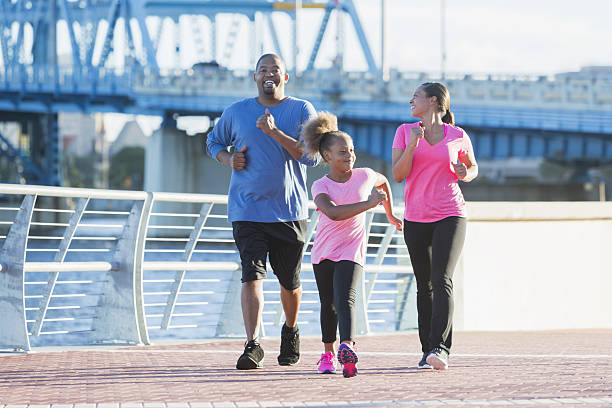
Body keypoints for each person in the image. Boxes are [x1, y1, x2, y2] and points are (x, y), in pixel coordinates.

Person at [206, 53, 319, 370]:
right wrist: (229, 160)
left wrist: (274, 133)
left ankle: (290, 330)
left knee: (289, 282)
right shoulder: (237, 111)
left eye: (276, 70)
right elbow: (213, 142)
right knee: (251, 275)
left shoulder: (301, 110)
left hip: (289, 212)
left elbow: (311, 158)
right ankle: (252, 344)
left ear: (286, 77)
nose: (269, 74)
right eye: (263, 70)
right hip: (246, 209)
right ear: (255, 77)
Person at [302, 112, 402, 377]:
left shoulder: (364, 175)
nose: (350, 156)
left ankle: (347, 346)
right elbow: (332, 212)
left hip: (352, 249)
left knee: (346, 297)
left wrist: (389, 213)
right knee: (329, 304)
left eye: (352, 150)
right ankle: (327, 354)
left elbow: (383, 182)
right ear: (327, 156)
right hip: (324, 251)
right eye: (343, 152)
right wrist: (369, 204)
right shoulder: (320, 185)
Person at [391, 82, 478, 370]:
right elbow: (399, 174)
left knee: (442, 279)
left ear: (432, 101)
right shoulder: (405, 132)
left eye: (415, 97)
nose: (410, 101)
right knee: (424, 285)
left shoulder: (457, 135)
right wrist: (414, 144)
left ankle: (441, 348)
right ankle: (427, 349)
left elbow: (472, 168)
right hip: (416, 217)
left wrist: (466, 173)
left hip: (450, 213)